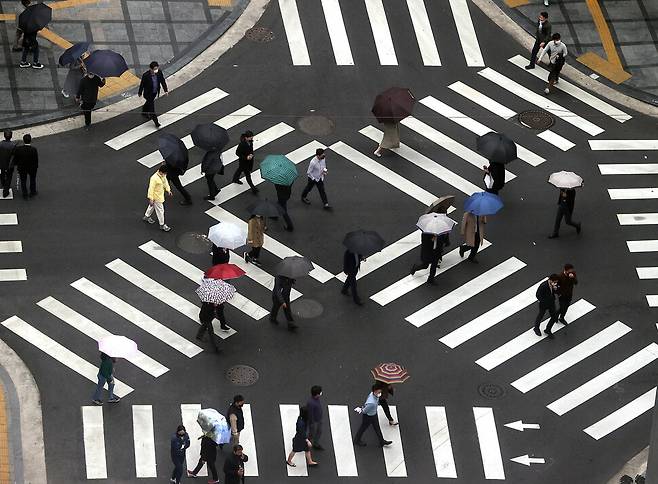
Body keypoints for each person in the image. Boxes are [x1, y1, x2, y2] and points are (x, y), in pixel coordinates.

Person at [143, 164, 172, 232]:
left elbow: (165, 182)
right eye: (165, 173)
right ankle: (162, 225)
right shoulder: (154, 178)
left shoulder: (163, 175)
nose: (165, 174)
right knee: (160, 211)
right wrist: (151, 198)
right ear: (161, 172)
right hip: (157, 197)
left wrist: (168, 190)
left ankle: (146, 216)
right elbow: (151, 189)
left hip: (159, 196)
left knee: (152, 206)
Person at [138, 61, 168, 127]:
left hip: (154, 93)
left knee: (149, 102)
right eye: (154, 69)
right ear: (150, 69)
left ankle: (144, 111)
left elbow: (162, 81)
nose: (156, 70)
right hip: (148, 94)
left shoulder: (159, 72)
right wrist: (140, 92)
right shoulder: (146, 75)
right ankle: (156, 123)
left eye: (157, 68)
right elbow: (142, 84)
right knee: (152, 109)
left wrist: (166, 90)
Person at [533, 274, 560, 339]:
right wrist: (543, 301)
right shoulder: (543, 286)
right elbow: (538, 295)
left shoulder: (553, 285)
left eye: (556, 282)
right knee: (540, 316)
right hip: (544, 304)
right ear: (550, 280)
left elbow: (555, 292)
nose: (555, 283)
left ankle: (548, 330)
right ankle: (536, 328)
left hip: (551, 303)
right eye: (554, 282)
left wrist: (555, 289)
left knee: (554, 316)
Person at [13, 133, 38, 200]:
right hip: (32, 168)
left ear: (23, 140)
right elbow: (36, 160)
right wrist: (36, 167)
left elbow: (16, 159)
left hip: (22, 168)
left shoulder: (19, 149)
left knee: (23, 181)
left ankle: (25, 194)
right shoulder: (33, 149)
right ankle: (33, 191)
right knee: (32, 180)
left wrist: (16, 165)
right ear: (30, 140)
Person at [0, 130, 16, 198]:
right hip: (9, 165)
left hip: (1, 164)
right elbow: (14, 156)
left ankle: (3, 184)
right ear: (11, 136)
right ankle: (5, 191)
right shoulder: (13, 145)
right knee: (9, 177)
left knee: (2, 175)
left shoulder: (0, 144)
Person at [307, 385, 324, 450]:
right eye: (320, 392)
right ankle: (307, 442)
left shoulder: (316, 399)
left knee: (319, 431)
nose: (321, 393)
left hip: (318, 419)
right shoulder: (311, 403)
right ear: (317, 394)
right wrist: (312, 423)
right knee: (312, 433)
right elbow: (310, 414)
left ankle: (315, 443)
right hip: (314, 422)